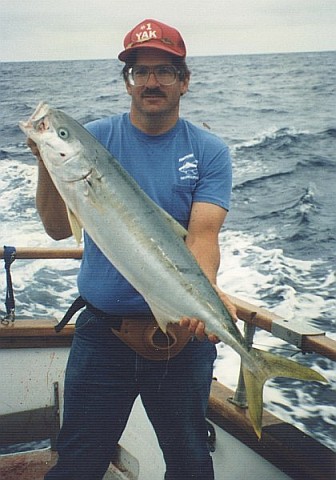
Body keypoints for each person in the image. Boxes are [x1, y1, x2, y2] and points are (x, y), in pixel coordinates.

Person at [30, 18, 236, 480]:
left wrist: (206, 292)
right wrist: (46, 160)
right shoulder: (94, 139)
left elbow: (203, 235)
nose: (151, 82)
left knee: (190, 464)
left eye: (164, 71)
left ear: (184, 82)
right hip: (103, 334)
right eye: (139, 72)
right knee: (78, 462)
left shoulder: (209, 151)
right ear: (127, 82)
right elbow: (59, 230)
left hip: (181, 340)